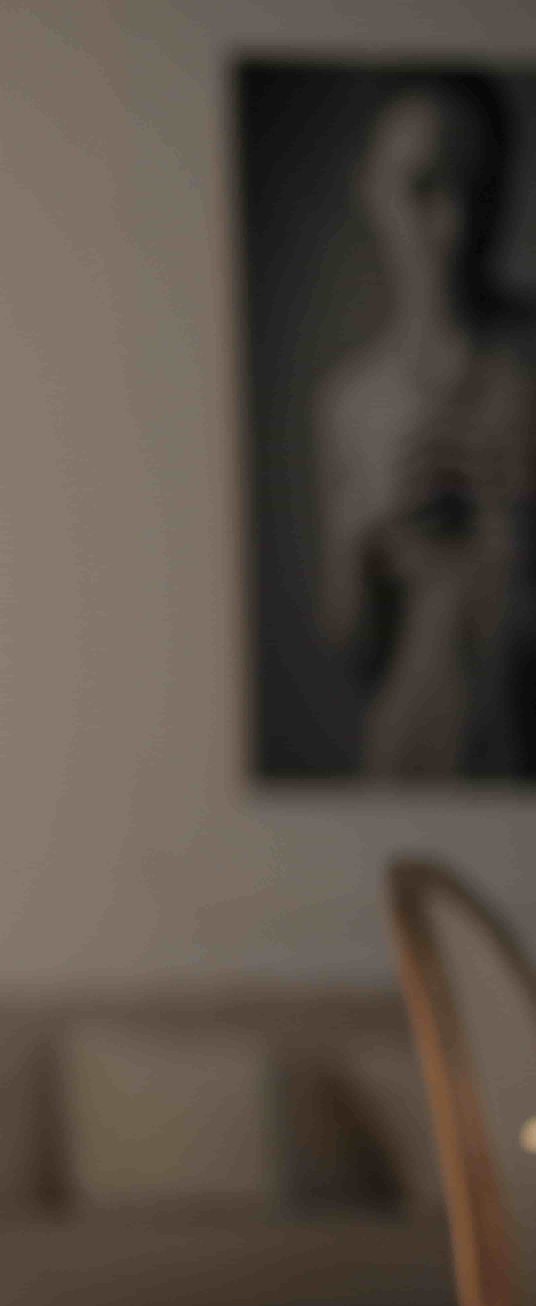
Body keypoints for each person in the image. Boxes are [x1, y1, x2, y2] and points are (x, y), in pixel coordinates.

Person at [312, 70, 536, 780]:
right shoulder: (348, 402)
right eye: (422, 187)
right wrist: (363, 533)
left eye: (480, 185)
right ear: (370, 192)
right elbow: (354, 648)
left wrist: (517, 529)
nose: (456, 223)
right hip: (408, 761)